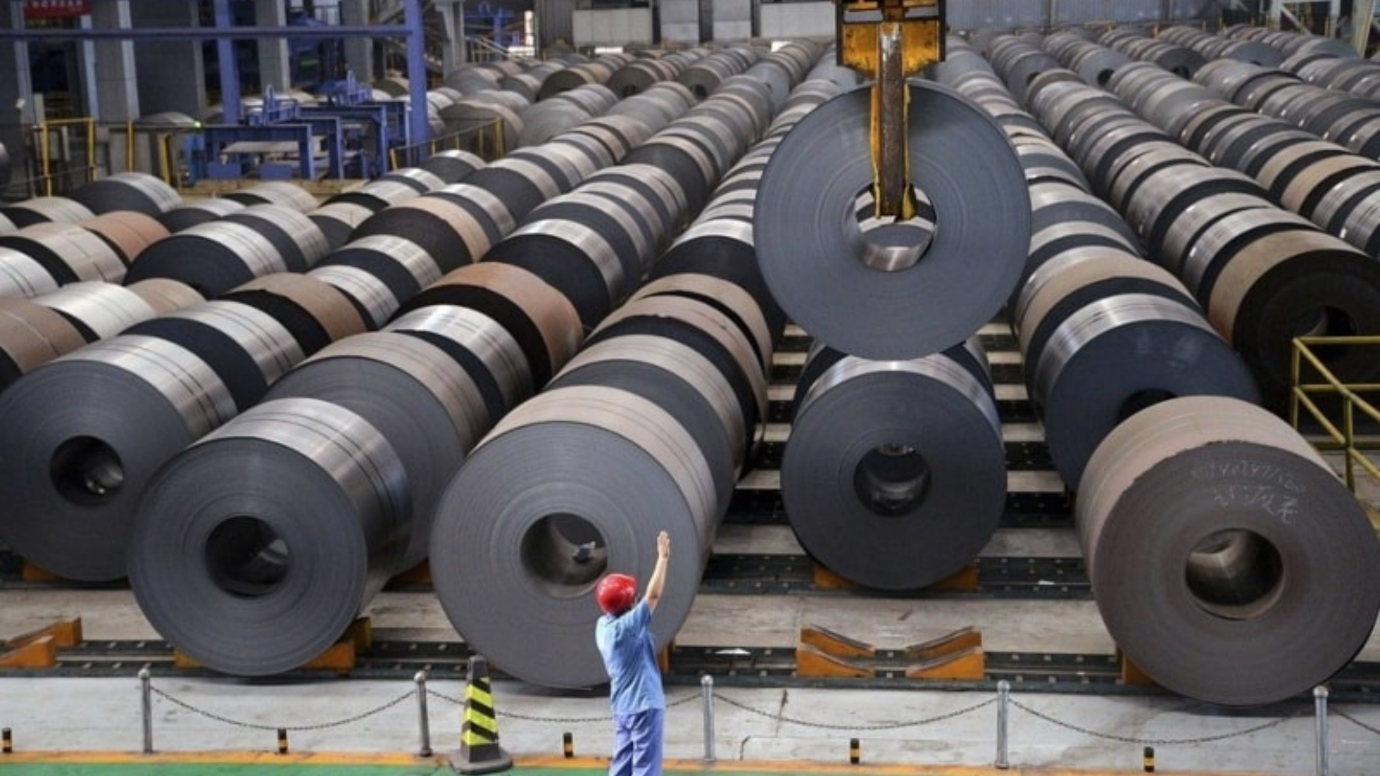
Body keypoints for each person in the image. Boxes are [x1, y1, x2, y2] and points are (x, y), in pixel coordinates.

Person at [594, 530, 671, 776]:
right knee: (646, 768)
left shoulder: (603, 626)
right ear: (627, 604)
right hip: (645, 706)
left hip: (622, 707)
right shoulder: (627, 629)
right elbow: (653, 595)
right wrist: (662, 559)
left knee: (622, 765)